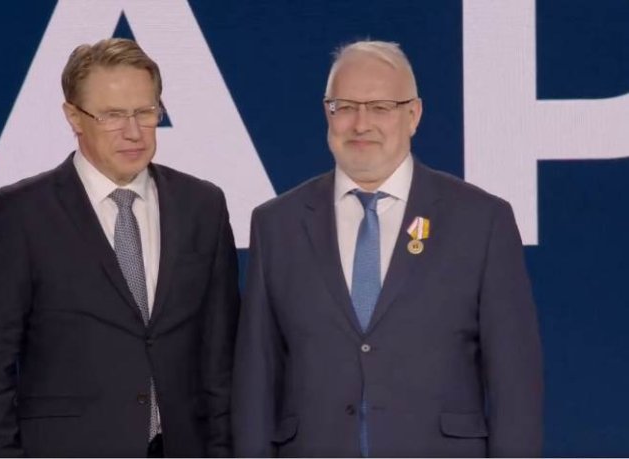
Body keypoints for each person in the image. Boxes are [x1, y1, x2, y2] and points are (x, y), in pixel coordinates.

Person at [232, 40, 543, 457]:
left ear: (413, 115)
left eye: (381, 107)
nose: (361, 124)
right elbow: (256, 379)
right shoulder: (277, 224)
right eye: (345, 107)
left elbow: (515, 384)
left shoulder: (481, 221)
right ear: (328, 113)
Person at [0, 38, 239, 457]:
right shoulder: (19, 214)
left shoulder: (202, 205)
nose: (133, 132)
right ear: (73, 116)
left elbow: (221, 360)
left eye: (145, 112)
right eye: (112, 115)